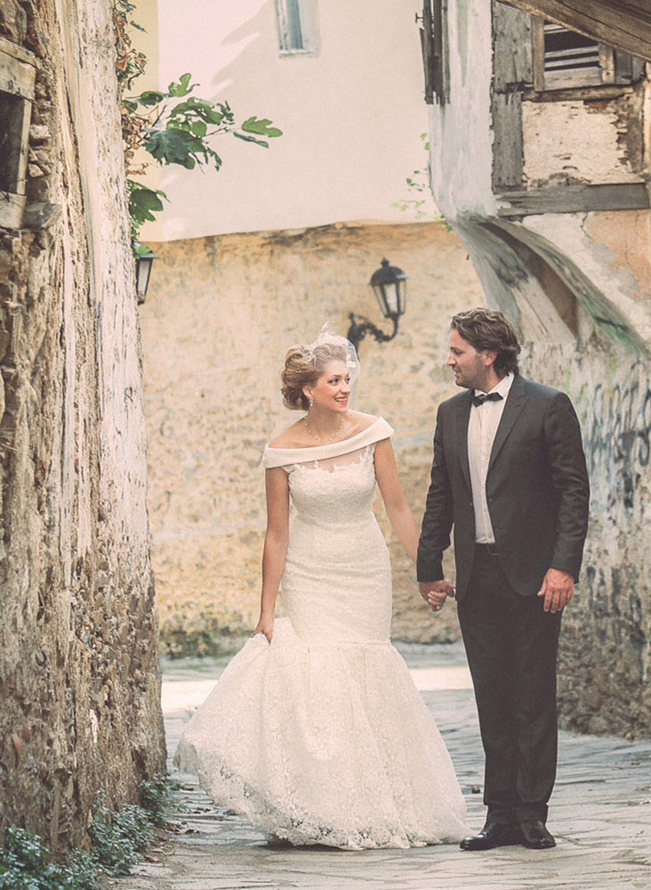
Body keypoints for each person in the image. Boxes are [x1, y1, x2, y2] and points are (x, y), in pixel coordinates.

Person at [175, 330, 469, 850]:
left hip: (363, 568)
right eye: (334, 381)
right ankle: (317, 804)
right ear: (308, 389)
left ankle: (379, 802)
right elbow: (277, 533)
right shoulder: (281, 451)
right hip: (310, 572)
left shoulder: (373, 432)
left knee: (364, 673)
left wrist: (427, 569)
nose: (345, 389)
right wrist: (265, 612)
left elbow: (398, 507)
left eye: (347, 380)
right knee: (318, 679)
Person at [417, 308, 589, 851]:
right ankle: (500, 815)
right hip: (477, 577)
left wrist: (563, 565)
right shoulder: (449, 414)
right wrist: (429, 567)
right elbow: (440, 493)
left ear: (488, 354)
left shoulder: (547, 406)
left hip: (536, 576)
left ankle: (534, 813)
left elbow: (573, 491)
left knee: (532, 694)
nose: (449, 361)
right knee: (492, 696)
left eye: (457, 352)